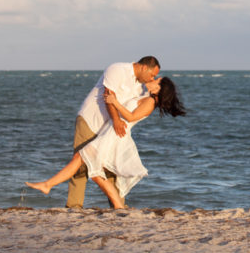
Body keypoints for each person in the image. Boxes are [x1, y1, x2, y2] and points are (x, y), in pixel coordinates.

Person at [26, 77, 186, 208]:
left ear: (160, 88)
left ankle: (48, 185)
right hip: (110, 133)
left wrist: (115, 102)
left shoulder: (150, 103)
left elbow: (131, 117)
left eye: (157, 80)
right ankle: (118, 206)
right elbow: (136, 82)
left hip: (115, 136)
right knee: (93, 170)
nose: (153, 79)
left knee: (84, 162)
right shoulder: (146, 97)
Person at [67, 56, 161, 208]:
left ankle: (118, 207)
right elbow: (108, 96)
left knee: (112, 167)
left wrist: (153, 84)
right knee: (80, 165)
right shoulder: (117, 69)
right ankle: (73, 206)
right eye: (152, 74)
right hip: (91, 120)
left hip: (110, 130)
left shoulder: (141, 87)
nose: (153, 78)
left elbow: (139, 108)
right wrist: (116, 120)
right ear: (144, 67)